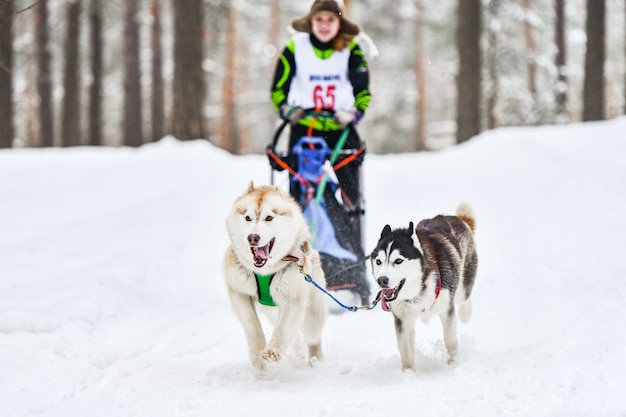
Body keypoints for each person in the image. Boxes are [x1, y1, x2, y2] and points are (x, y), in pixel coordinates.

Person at [270, 0, 371, 304]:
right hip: (306, 129)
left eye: (330, 19)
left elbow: (363, 89)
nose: (324, 25)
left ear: (338, 23)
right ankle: (298, 270)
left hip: (340, 128)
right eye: (319, 19)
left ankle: (353, 270)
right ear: (311, 22)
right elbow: (279, 87)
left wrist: (354, 113)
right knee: (299, 201)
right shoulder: (295, 48)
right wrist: (287, 109)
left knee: (352, 201)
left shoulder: (351, 50)